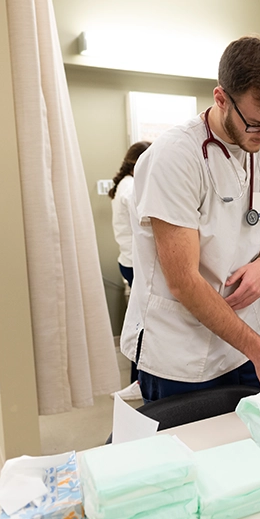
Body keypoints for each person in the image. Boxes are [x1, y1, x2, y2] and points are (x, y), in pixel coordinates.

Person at [120, 36, 260, 402]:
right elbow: (183, 281)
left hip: (248, 337)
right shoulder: (175, 157)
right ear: (221, 99)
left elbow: (258, 231)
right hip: (183, 354)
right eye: (256, 123)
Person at [108, 140, 150, 401]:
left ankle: (139, 379)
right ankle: (139, 380)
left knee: (142, 322)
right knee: (146, 325)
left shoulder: (125, 184)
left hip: (128, 261)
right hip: (136, 263)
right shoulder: (132, 188)